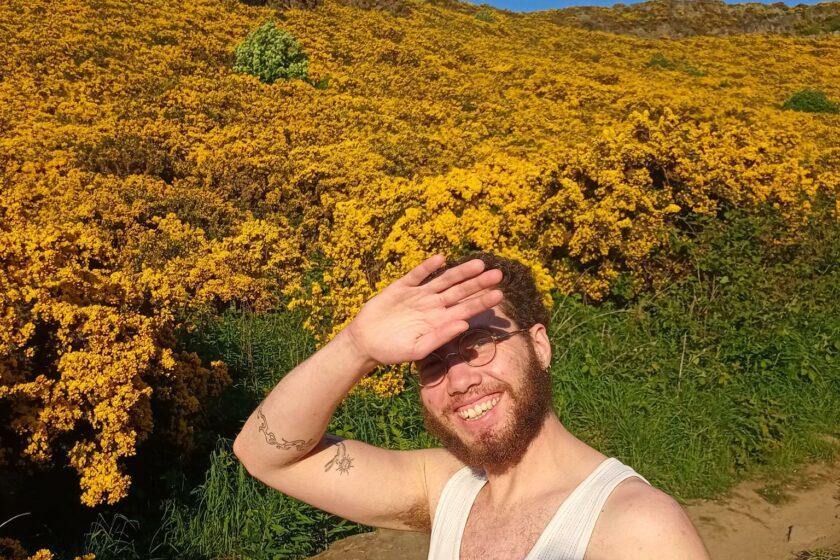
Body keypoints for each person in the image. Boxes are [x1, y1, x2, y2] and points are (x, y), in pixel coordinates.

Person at [233, 252, 711, 559]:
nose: (459, 379)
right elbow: (264, 454)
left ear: (539, 347)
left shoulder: (635, 529)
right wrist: (356, 346)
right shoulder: (448, 493)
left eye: (479, 344)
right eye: (431, 364)